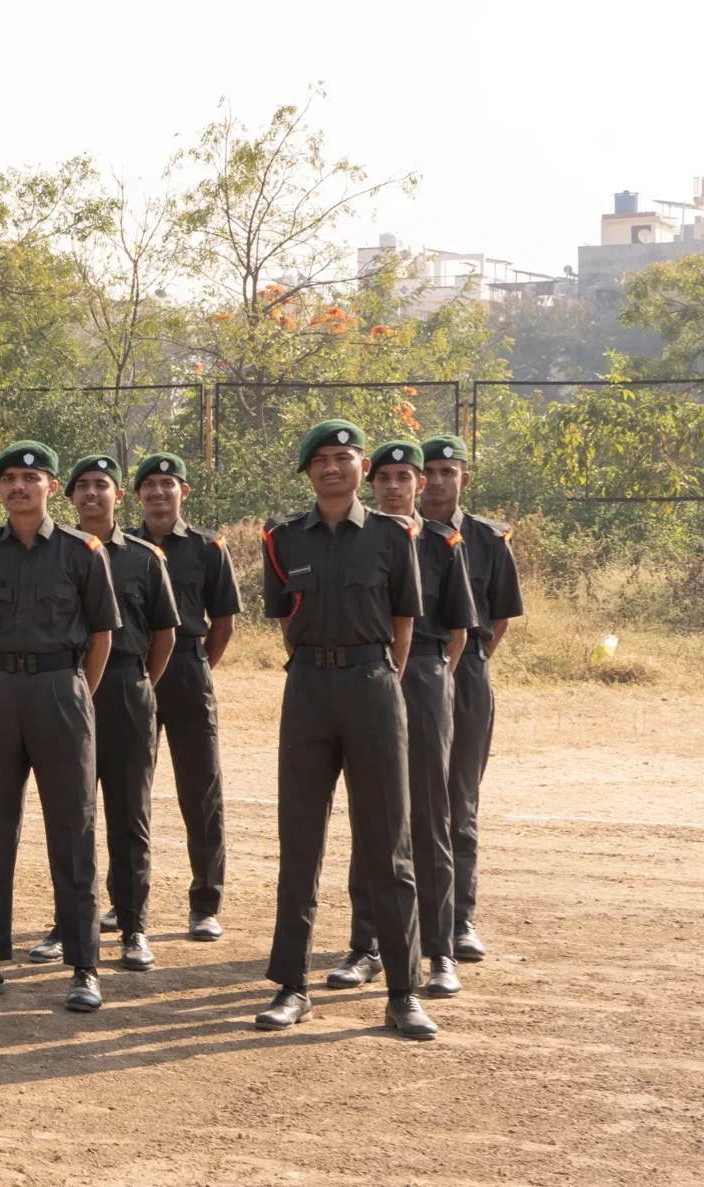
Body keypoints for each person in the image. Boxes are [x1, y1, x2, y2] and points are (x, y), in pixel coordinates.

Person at [252, 419, 439, 1040]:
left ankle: (403, 992)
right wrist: (322, 667)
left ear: (362, 467)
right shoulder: (281, 539)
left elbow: (403, 625)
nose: (331, 468)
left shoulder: (392, 535)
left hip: (372, 685)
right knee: (299, 842)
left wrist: (375, 678)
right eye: (320, 460)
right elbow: (285, 620)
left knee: (389, 843)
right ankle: (292, 986)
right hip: (307, 688)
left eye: (342, 457)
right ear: (308, 472)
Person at [0, 441, 116, 1014]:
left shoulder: (82, 550)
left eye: (30, 477)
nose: (19, 486)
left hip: (60, 688)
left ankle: (84, 966)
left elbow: (101, 636)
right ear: (0, 489)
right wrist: (6, 677)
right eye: (10, 478)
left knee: (73, 830)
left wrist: (67, 691)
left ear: (50, 487)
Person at [340, 441, 477, 999]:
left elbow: (460, 631)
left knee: (429, 818)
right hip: (367, 677)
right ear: (369, 482)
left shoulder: (443, 543)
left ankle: (439, 951)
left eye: (405, 477)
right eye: (384, 477)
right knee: (370, 816)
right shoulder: (355, 537)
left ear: (421, 485)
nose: (393, 487)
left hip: (421, 672)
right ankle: (366, 946)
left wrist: (426, 679)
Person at [63, 455, 177, 973]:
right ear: (69, 498)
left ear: (118, 497)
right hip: (64, 692)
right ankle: (71, 923)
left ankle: (133, 928)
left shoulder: (146, 558)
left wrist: (136, 687)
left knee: (129, 815)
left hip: (127, 690)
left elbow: (164, 635)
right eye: (82, 487)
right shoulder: (54, 554)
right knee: (73, 816)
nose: (92, 495)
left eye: (102, 486)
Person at [129, 453, 240, 942]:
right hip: (132, 673)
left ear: (184, 492)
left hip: (188, 670)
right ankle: (125, 900)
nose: (158, 492)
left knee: (201, 791)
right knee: (128, 791)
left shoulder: (207, 548)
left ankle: (205, 905)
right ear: (137, 495)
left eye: (168, 483)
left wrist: (194, 667)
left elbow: (224, 623)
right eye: (149, 484)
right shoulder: (121, 547)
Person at [419, 435, 521, 963]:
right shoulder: (396, 534)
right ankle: (404, 920)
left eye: (447, 472)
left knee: (459, 801)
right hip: (409, 671)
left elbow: (497, 619)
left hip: (466, 676)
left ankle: (459, 920)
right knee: (401, 801)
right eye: (428, 471)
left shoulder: (489, 540)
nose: (436, 481)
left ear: (464, 478)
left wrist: (461, 668)